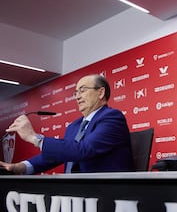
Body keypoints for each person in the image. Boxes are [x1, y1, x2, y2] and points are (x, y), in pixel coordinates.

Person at [0, 74, 134, 174]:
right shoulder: (74, 126)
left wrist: (34, 138)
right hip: (72, 194)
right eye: (76, 92)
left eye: (83, 90)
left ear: (101, 92)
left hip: (105, 193)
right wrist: (22, 167)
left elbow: (84, 150)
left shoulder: (112, 117)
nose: (77, 97)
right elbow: (57, 156)